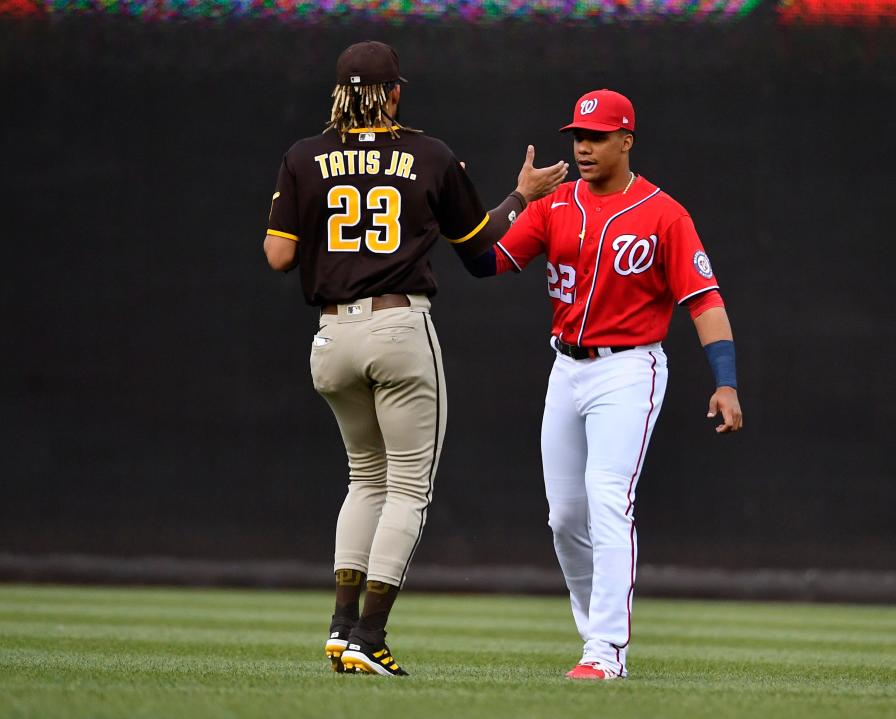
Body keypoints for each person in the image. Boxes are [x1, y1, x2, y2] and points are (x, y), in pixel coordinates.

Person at [262, 41, 568, 677]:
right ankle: (369, 637)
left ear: (339, 93)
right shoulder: (429, 154)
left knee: (362, 478)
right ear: (395, 93)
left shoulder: (302, 156)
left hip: (331, 337)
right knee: (406, 487)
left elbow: (278, 255)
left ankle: (342, 628)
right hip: (398, 327)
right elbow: (481, 249)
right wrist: (521, 197)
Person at [466, 89, 743, 680]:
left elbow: (705, 301)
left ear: (626, 140)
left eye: (596, 136)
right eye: (577, 137)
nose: (584, 147)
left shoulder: (664, 213)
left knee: (607, 497)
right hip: (565, 367)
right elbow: (483, 261)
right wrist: (514, 198)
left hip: (628, 367)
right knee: (565, 515)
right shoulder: (553, 204)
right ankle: (595, 636)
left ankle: (606, 652)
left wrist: (727, 382)